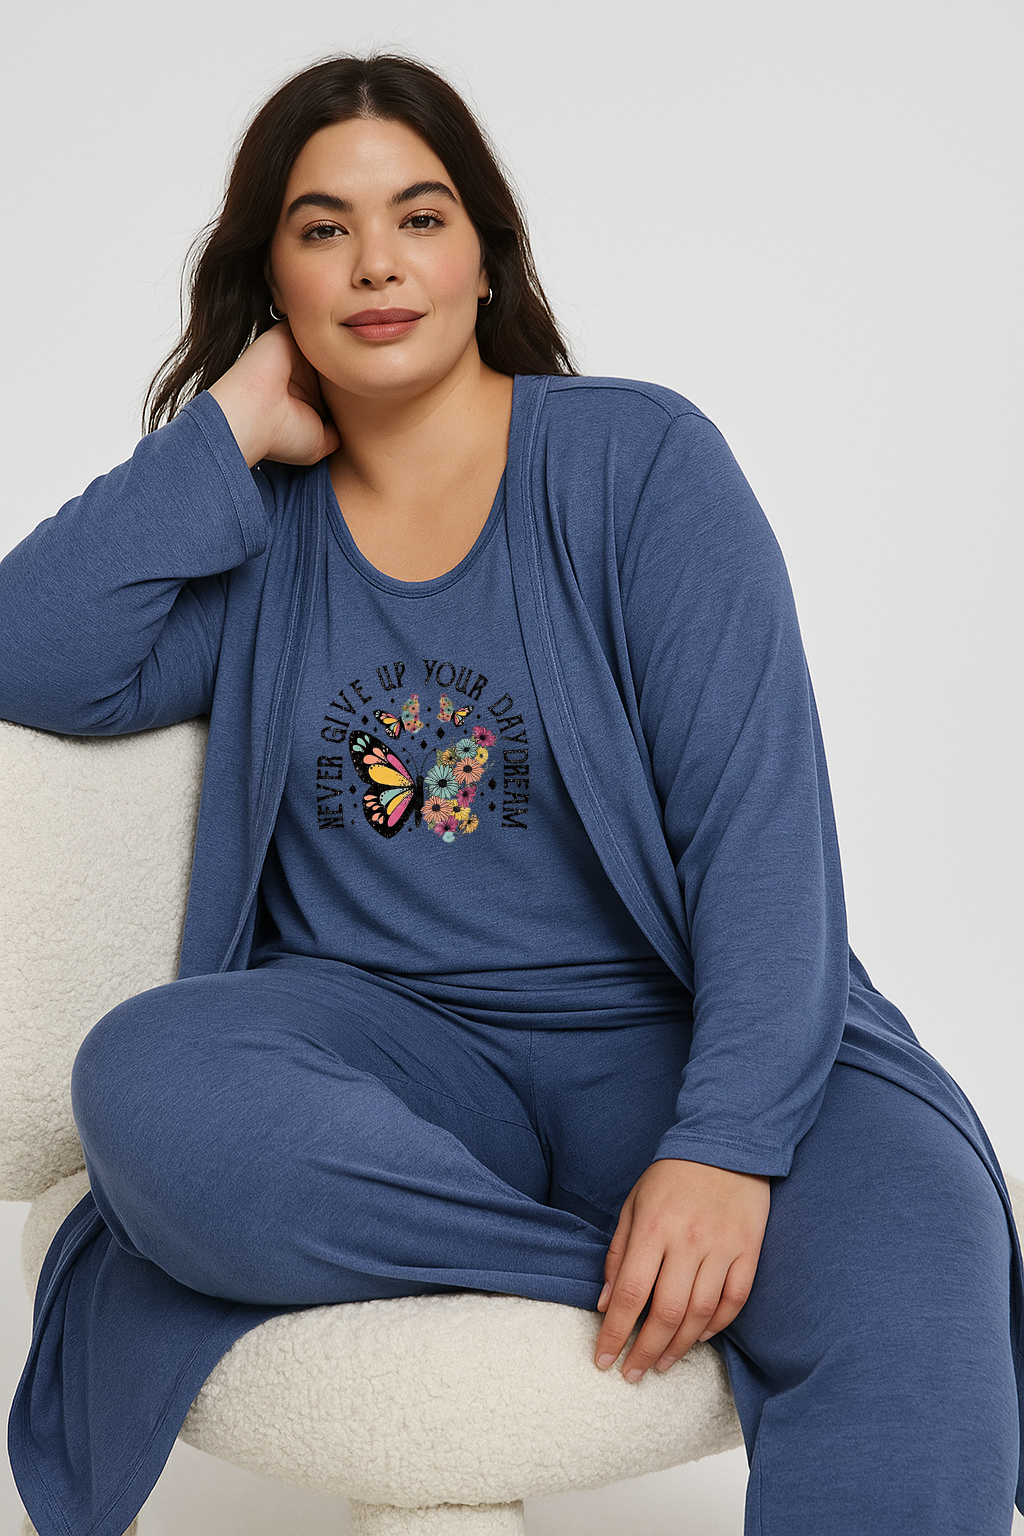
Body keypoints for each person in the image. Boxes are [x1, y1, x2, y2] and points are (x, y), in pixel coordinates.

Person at [1, 51, 1021, 1536]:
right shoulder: (257, 536)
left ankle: (699, 1246)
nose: (376, 264)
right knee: (145, 1082)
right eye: (322, 229)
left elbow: (762, 838)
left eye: (419, 218)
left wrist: (725, 1150)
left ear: (486, 255)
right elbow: (28, 647)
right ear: (273, 280)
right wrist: (224, 427)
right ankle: (625, 1273)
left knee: (919, 1256)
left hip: (673, 1038)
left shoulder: (641, 466)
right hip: (396, 1071)